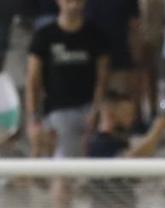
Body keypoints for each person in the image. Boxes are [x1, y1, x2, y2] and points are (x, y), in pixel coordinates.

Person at [25, 0, 110, 158]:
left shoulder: (96, 35)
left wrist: (96, 110)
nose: (74, 5)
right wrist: (33, 119)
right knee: (62, 160)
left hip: (88, 108)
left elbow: (102, 78)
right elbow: (33, 80)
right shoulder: (44, 36)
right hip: (58, 111)